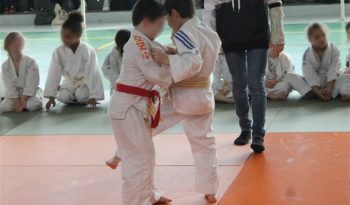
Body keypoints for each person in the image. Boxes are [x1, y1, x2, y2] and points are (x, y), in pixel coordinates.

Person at [107, 0, 173, 204]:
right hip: (129, 108)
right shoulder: (138, 43)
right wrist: (174, 68)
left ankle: (148, 196)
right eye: (161, 23)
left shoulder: (144, 40)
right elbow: (155, 74)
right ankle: (138, 201)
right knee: (140, 158)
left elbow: (161, 53)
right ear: (146, 21)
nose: (163, 27)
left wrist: (170, 55)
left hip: (134, 106)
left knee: (142, 155)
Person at [203, 0, 285, 153]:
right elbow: (209, 10)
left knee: (257, 82)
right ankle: (245, 128)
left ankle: (258, 133)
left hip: (258, 29)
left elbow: (274, 2)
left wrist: (278, 33)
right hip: (228, 32)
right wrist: (212, 40)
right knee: (238, 83)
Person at [44, 12, 104, 110]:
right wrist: (51, 96)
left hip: (84, 83)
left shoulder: (87, 50)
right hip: (69, 82)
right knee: (63, 97)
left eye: (68, 37)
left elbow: (93, 73)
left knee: (82, 95)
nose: (64, 40)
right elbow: (53, 73)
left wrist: (94, 96)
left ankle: (81, 98)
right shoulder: (59, 51)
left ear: (78, 36)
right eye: (62, 36)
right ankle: (74, 97)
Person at [302, 23, 350, 101]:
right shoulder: (307, 54)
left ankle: (323, 93)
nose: (321, 39)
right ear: (310, 40)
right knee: (290, 77)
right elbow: (309, 74)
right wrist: (317, 90)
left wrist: (329, 89)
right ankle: (315, 92)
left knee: (344, 78)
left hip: (332, 83)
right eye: (317, 37)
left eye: (323, 35)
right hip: (316, 84)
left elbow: (333, 70)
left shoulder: (333, 50)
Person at [0, 32, 42, 113]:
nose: (16, 44)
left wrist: (22, 102)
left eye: (19, 42)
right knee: (4, 107)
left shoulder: (30, 62)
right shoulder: (5, 66)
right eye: (13, 42)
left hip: (29, 93)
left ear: (23, 44)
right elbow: (10, 87)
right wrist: (16, 102)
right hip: (15, 94)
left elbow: (32, 83)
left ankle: (38, 96)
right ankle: (21, 104)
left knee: (32, 106)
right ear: (7, 46)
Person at [101, 29, 131, 95]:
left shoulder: (129, 55)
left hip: (130, 88)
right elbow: (113, 80)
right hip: (118, 92)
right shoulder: (111, 58)